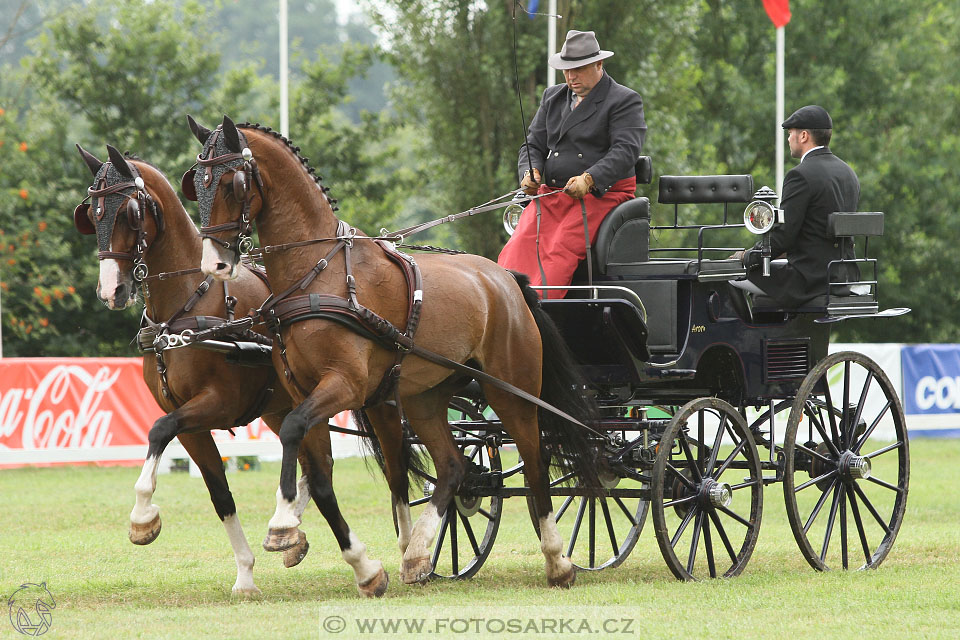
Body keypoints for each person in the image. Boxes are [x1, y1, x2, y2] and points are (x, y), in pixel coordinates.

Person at [497, 30, 646, 299]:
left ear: (599, 64)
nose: (570, 77)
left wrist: (589, 179)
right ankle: (506, 311)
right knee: (516, 248)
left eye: (578, 69)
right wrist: (529, 171)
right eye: (566, 70)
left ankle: (542, 316)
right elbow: (533, 144)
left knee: (560, 250)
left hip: (602, 195)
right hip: (553, 195)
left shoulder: (623, 100)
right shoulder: (552, 97)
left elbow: (626, 151)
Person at [734, 105, 860, 307]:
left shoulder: (800, 175)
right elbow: (813, 231)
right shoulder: (847, 172)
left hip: (809, 280)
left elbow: (784, 236)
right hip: (844, 276)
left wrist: (747, 256)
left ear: (803, 136)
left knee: (730, 274)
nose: (788, 139)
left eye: (790, 133)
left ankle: (746, 336)